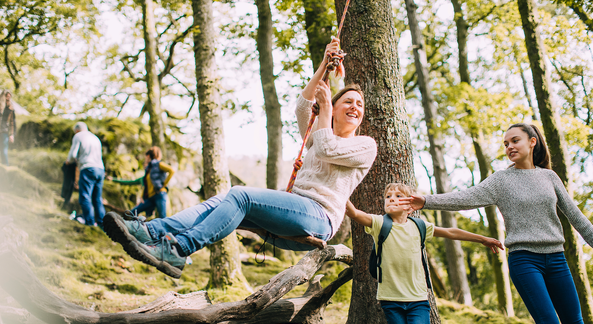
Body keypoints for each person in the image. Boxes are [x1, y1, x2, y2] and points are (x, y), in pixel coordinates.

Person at [103, 37, 377, 279]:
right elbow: (303, 106)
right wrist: (323, 66)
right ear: (337, 107)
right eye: (348, 101)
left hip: (319, 218)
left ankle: (178, 249)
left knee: (241, 195)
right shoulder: (319, 132)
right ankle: (152, 232)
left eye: (359, 104)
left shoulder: (364, 146)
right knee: (219, 200)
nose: (355, 107)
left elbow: (329, 148)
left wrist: (327, 105)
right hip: (294, 212)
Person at [397, 123, 593, 324]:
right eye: (505, 144)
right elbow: (466, 197)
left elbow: (579, 220)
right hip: (525, 261)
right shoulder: (501, 181)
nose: (509, 147)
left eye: (515, 141)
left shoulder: (550, 177)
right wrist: (426, 201)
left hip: (557, 260)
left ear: (532, 142)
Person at [346, 183, 503, 324]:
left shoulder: (419, 226)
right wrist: (337, 188)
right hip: (390, 300)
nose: (391, 199)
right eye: (388, 196)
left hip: (419, 299)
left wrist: (482, 238)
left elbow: (449, 232)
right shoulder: (379, 223)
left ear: (410, 205)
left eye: (398, 196)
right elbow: (354, 213)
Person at [109, 146, 175, 219]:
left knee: (162, 218)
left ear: (148, 156)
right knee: (132, 212)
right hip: (150, 198)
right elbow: (139, 184)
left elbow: (171, 170)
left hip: (159, 194)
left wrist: (164, 184)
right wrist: (142, 196)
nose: (145, 159)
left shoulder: (158, 164)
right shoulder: (148, 171)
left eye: (145, 157)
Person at [66, 122, 106, 229]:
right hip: (100, 169)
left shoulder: (78, 136)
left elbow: (73, 155)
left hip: (88, 168)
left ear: (77, 130)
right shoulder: (95, 138)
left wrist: (68, 162)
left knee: (85, 196)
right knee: (97, 198)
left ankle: (90, 223)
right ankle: (103, 224)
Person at [0, 90, 16, 166]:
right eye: (6, 96)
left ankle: (6, 167)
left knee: (4, 151)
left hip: (4, 131)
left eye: (9, 97)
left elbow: (12, 123)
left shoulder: (11, 108)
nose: (8, 98)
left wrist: (11, 134)